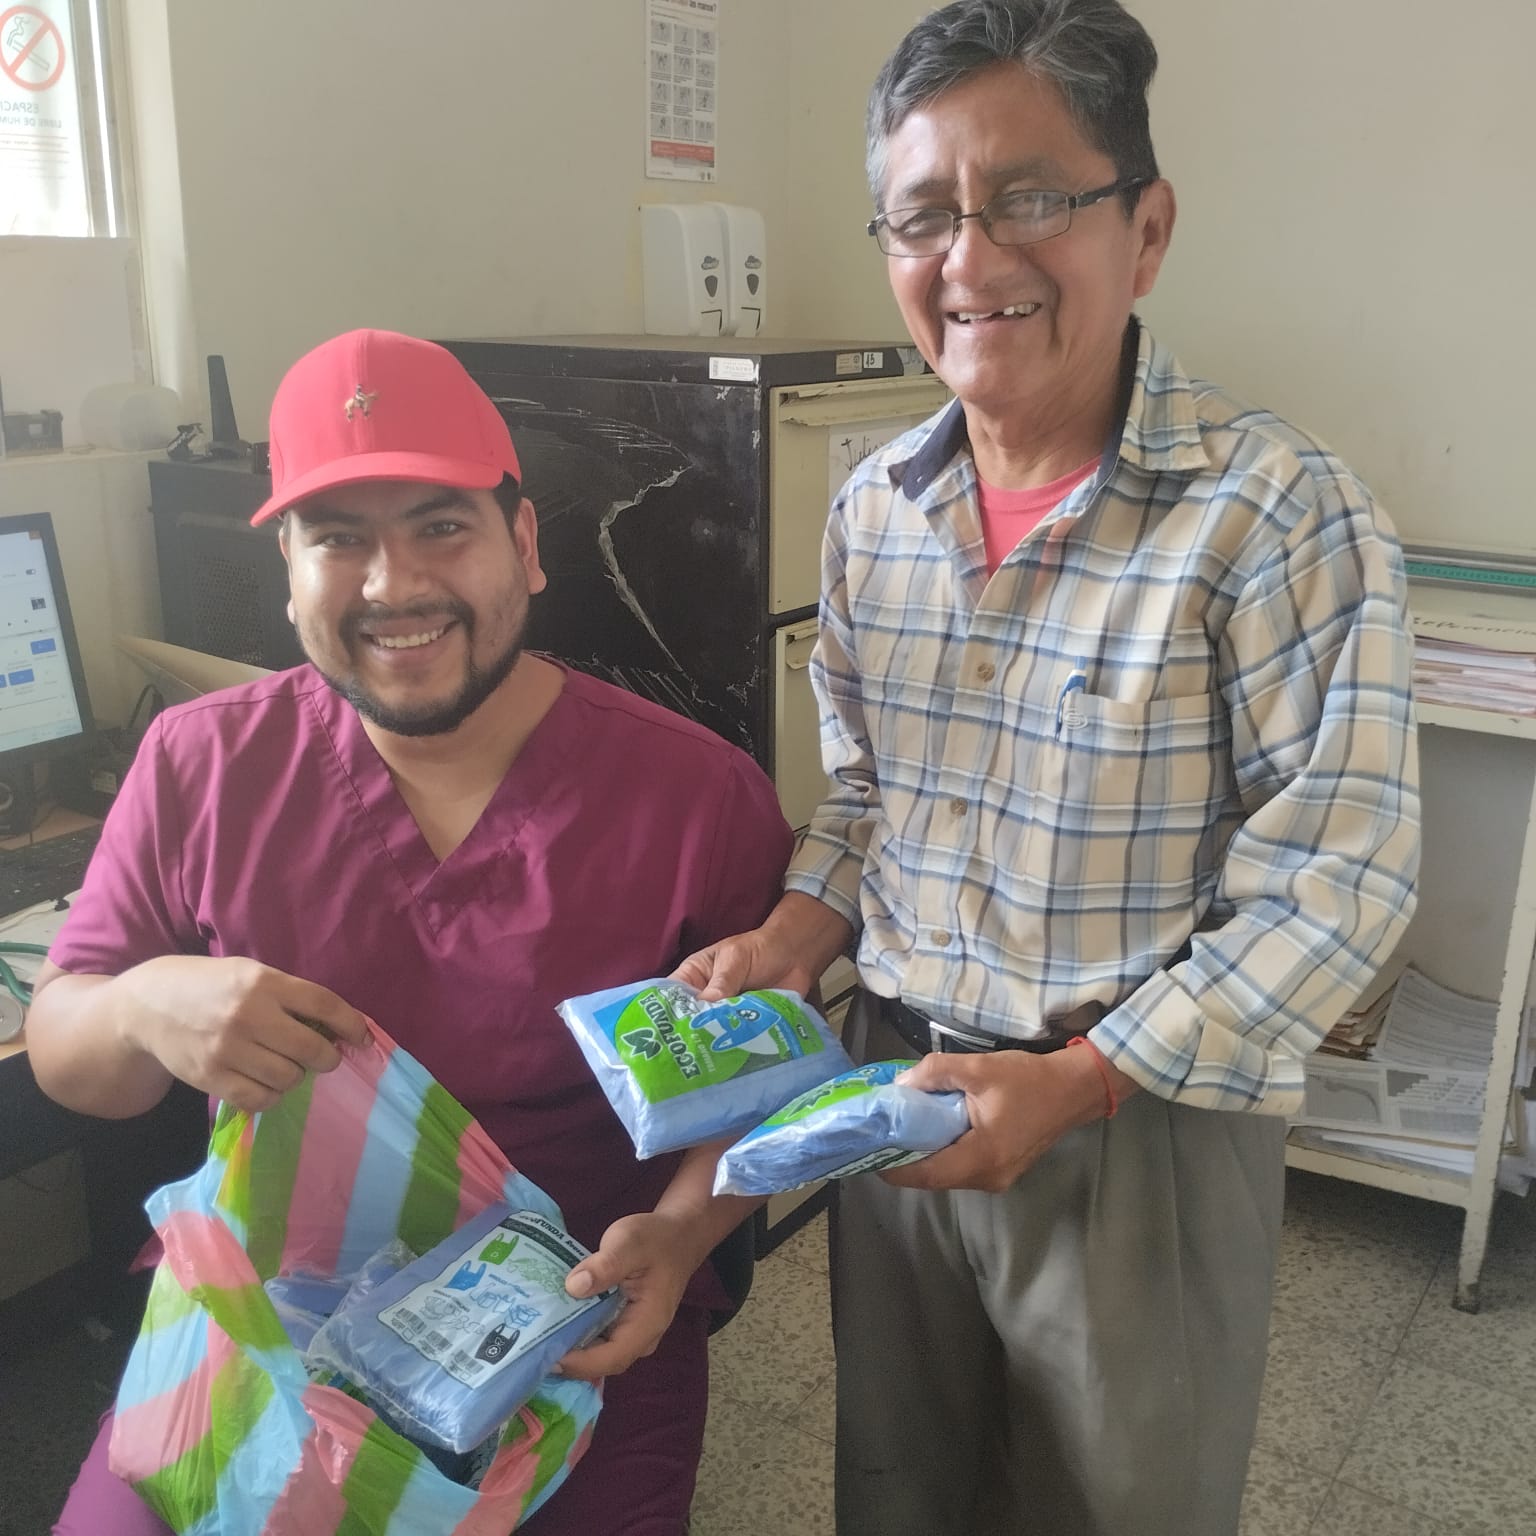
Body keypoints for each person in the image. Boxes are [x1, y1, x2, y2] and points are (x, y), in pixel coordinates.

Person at [675, 3, 1421, 1533]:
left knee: (1113, 1503)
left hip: (1136, 1122)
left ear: (1145, 230)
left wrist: (1078, 1085)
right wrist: (794, 936)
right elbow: (868, 794)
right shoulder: (876, 507)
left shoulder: (1275, 513)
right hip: (897, 1085)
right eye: (923, 216)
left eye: (1029, 198)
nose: (971, 259)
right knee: (901, 1487)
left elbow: (1338, 887)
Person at [30, 327, 791, 1536]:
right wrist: (141, 1003)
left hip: (573, 1323)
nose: (394, 585)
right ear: (288, 571)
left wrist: (686, 1231)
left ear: (525, 545)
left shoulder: (694, 796)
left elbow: (768, 1086)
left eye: (442, 525)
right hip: (267, 1318)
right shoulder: (200, 764)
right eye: (339, 537)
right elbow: (73, 1055)